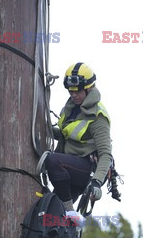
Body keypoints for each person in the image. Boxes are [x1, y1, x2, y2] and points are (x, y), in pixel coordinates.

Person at [44, 62, 112, 223]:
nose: (73, 95)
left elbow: (105, 154)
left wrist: (96, 182)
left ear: (88, 88)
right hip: (68, 167)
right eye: (70, 91)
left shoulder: (98, 116)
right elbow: (66, 135)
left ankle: (71, 213)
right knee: (49, 211)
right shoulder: (72, 108)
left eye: (78, 91)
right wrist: (42, 128)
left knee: (52, 160)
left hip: (84, 169)